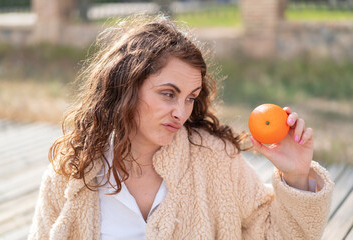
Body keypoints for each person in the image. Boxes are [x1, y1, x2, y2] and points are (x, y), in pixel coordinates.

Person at [28, 15, 334, 240]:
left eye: (190, 98)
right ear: (126, 86)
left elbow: (276, 235)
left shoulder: (216, 159)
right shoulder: (71, 172)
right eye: (168, 94)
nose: (181, 112)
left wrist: (296, 175)